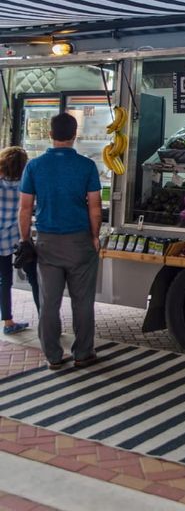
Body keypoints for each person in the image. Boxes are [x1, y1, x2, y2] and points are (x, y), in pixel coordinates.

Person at [19, 113, 102, 370]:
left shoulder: (34, 166)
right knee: (83, 302)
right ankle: (82, 353)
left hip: (47, 242)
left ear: (50, 135)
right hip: (80, 242)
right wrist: (95, 236)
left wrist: (25, 240)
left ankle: (53, 356)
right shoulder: (87, 166)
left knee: (49, 302)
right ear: (75, 135)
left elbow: (25, 208)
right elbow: (96, 208)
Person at [0, 146, 38, 334]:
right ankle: (45, 320)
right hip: (21, 238)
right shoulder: (26, 183)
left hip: (1, 239)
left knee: (4, 280)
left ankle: (8, 322)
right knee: (34, 278)